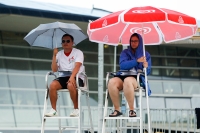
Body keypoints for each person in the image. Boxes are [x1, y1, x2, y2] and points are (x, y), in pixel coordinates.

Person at [108, 33, 151, 117]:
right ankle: (117, 109)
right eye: (131, 41)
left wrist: (146, 67)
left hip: (136, 79)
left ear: (140, 42)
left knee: (128, 81)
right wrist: (137, 61)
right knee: (111, 82)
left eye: (135, 41)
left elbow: (148, 72)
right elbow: (123, 65)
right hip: (122, 76)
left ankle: (132, 110)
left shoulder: (146, 54)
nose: (133, 43)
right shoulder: (125, 52)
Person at [45, 33, 85, 117]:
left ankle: (76, 109)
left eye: (68, 41)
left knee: (70, 85)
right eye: (63, 41)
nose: (65, 43)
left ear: (72, 43)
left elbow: (77, 66)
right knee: (52, 85)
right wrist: (54, 55)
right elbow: (54, 69)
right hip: (63, 76)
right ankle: (54, 110)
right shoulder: (59, 54)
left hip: (77, 76)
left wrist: (72, 77)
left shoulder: (78, 52)